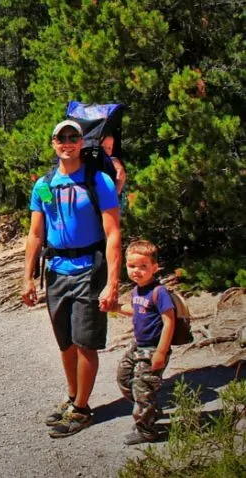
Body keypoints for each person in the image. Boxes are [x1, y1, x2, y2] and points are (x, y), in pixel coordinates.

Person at [22, 119, 122, 438]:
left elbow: (113, 233)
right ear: (53, 143)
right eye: (61, 137)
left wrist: (113, 283)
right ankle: (72, 397)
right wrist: (27, 278)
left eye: (72, 136)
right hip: (55, 272)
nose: (67, 141)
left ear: (81, 142)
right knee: (65, 342)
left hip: (89, 271)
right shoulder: (44, 185)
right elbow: (36, 234)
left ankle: (81, 409)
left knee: (84, 343)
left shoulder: (99, 181)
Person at [113, 240, 174, 445]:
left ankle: (147, 429)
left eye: (143, 266)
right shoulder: (137, 289)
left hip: (153, 348)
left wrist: (161, 352)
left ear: (154, 268)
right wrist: (116, 308)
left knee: (142, 386)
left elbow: (169, 322)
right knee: (124, 379)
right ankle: (149, 409)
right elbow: (137, 310)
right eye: (131, 266)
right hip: (137, 345)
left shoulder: (159, 292)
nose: (136, 271)